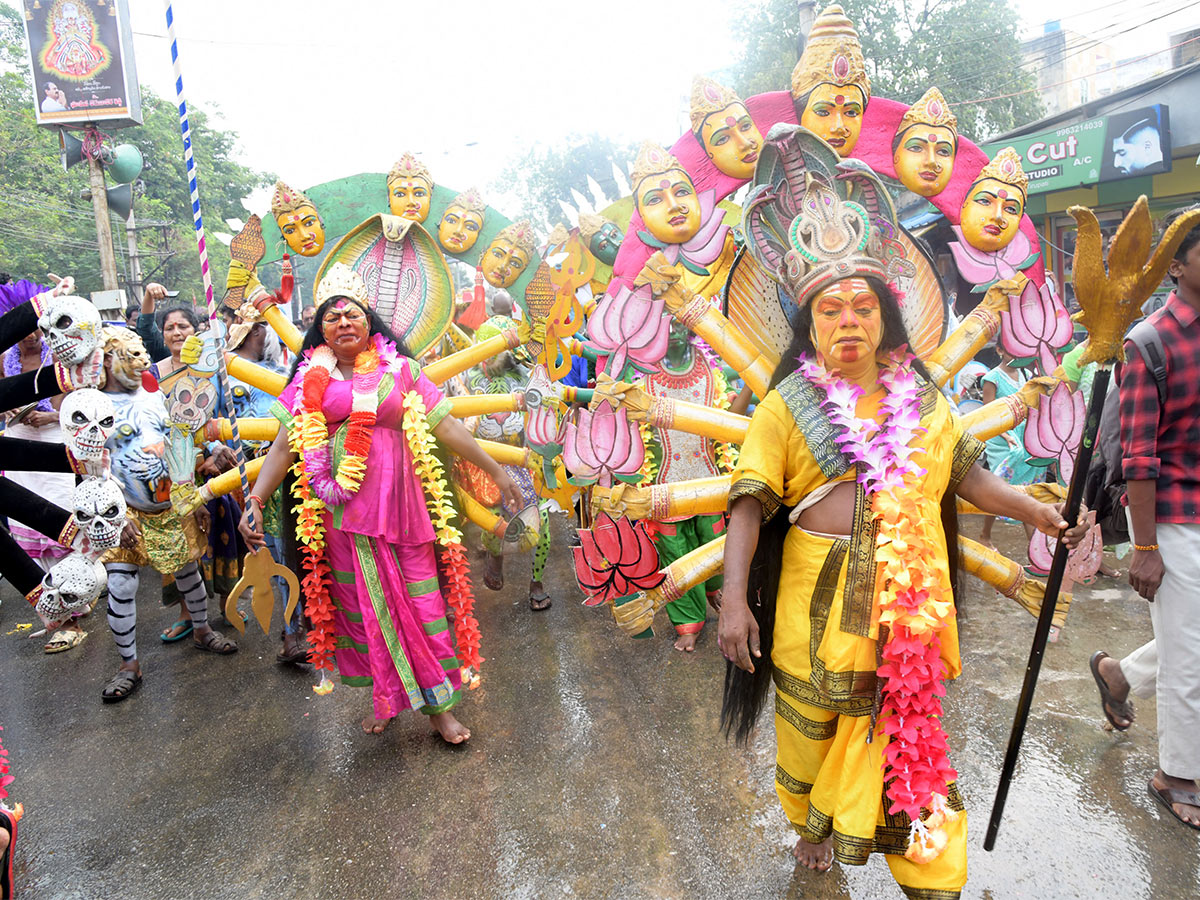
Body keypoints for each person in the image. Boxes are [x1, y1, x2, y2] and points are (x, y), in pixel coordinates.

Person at [717, 175, 1086, 898]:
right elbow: (747, 505)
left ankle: (933, 878)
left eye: (863, 306)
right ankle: (811, 824)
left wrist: (1029, 511)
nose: (848, 319)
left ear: (888, 317)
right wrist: (734, 603)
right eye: (830, 309)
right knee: (809, 734)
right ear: (810, 325)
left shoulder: (925, 399)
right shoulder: (787, 405)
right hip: (811, 616)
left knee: (910, 746)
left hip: (910, 611)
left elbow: (965, 477)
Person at [239, 265, 522, 740]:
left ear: (369, 320)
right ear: (320, 330)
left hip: (402, 509)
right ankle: (386, 697)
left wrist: (495, 468)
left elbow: (446, 426)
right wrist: (255, 495)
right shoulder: (310, 380)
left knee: (420, 603)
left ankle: (439, 709)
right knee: (362, 607)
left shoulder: (401, 370)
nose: (344, 322)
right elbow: (286, 445)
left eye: (352, 314)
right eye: (332, 318)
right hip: (340, 516)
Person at [1091, 208, 1200, 830]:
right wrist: (1146, 546)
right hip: (1175, 517)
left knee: (1193, 642)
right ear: (1177, 265)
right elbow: (1138, 452)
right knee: (1189, 657)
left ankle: (1117, 674)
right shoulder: (1149, 342)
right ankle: (1177, 775)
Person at [98, 327, 237, 703]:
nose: (141, 360)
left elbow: (183, 437)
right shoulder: (91, 406)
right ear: (107, 360)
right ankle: (129, 665)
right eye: (129, 354)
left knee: (188, 569)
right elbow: (89, 465)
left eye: (141, 352)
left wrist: (199, 488)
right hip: (125, 510)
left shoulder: (156, 396)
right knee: (122, 585)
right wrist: (113, 515)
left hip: (172, 503)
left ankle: (202, 630)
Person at [2, 330, 81, 652]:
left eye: (36, 329)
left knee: (60, 528)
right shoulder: (5, 361)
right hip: (17, 453)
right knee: (29, 537)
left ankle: (72, 612)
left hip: (53, 449)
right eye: (24, 331)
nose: (30, 336)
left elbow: (82, 407)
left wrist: (49, 415)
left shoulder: (58, 360)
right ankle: (60, 611)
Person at [978, 358, 1039, 548]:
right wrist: (1006, 436)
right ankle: (984, 534)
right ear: (999, 351)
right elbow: (987, 413)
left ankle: (1035, 547)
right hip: (1001, 439)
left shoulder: (1026, 375)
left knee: (1026, 489)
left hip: (1023, 437)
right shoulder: (992, 378)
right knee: (998, 486)